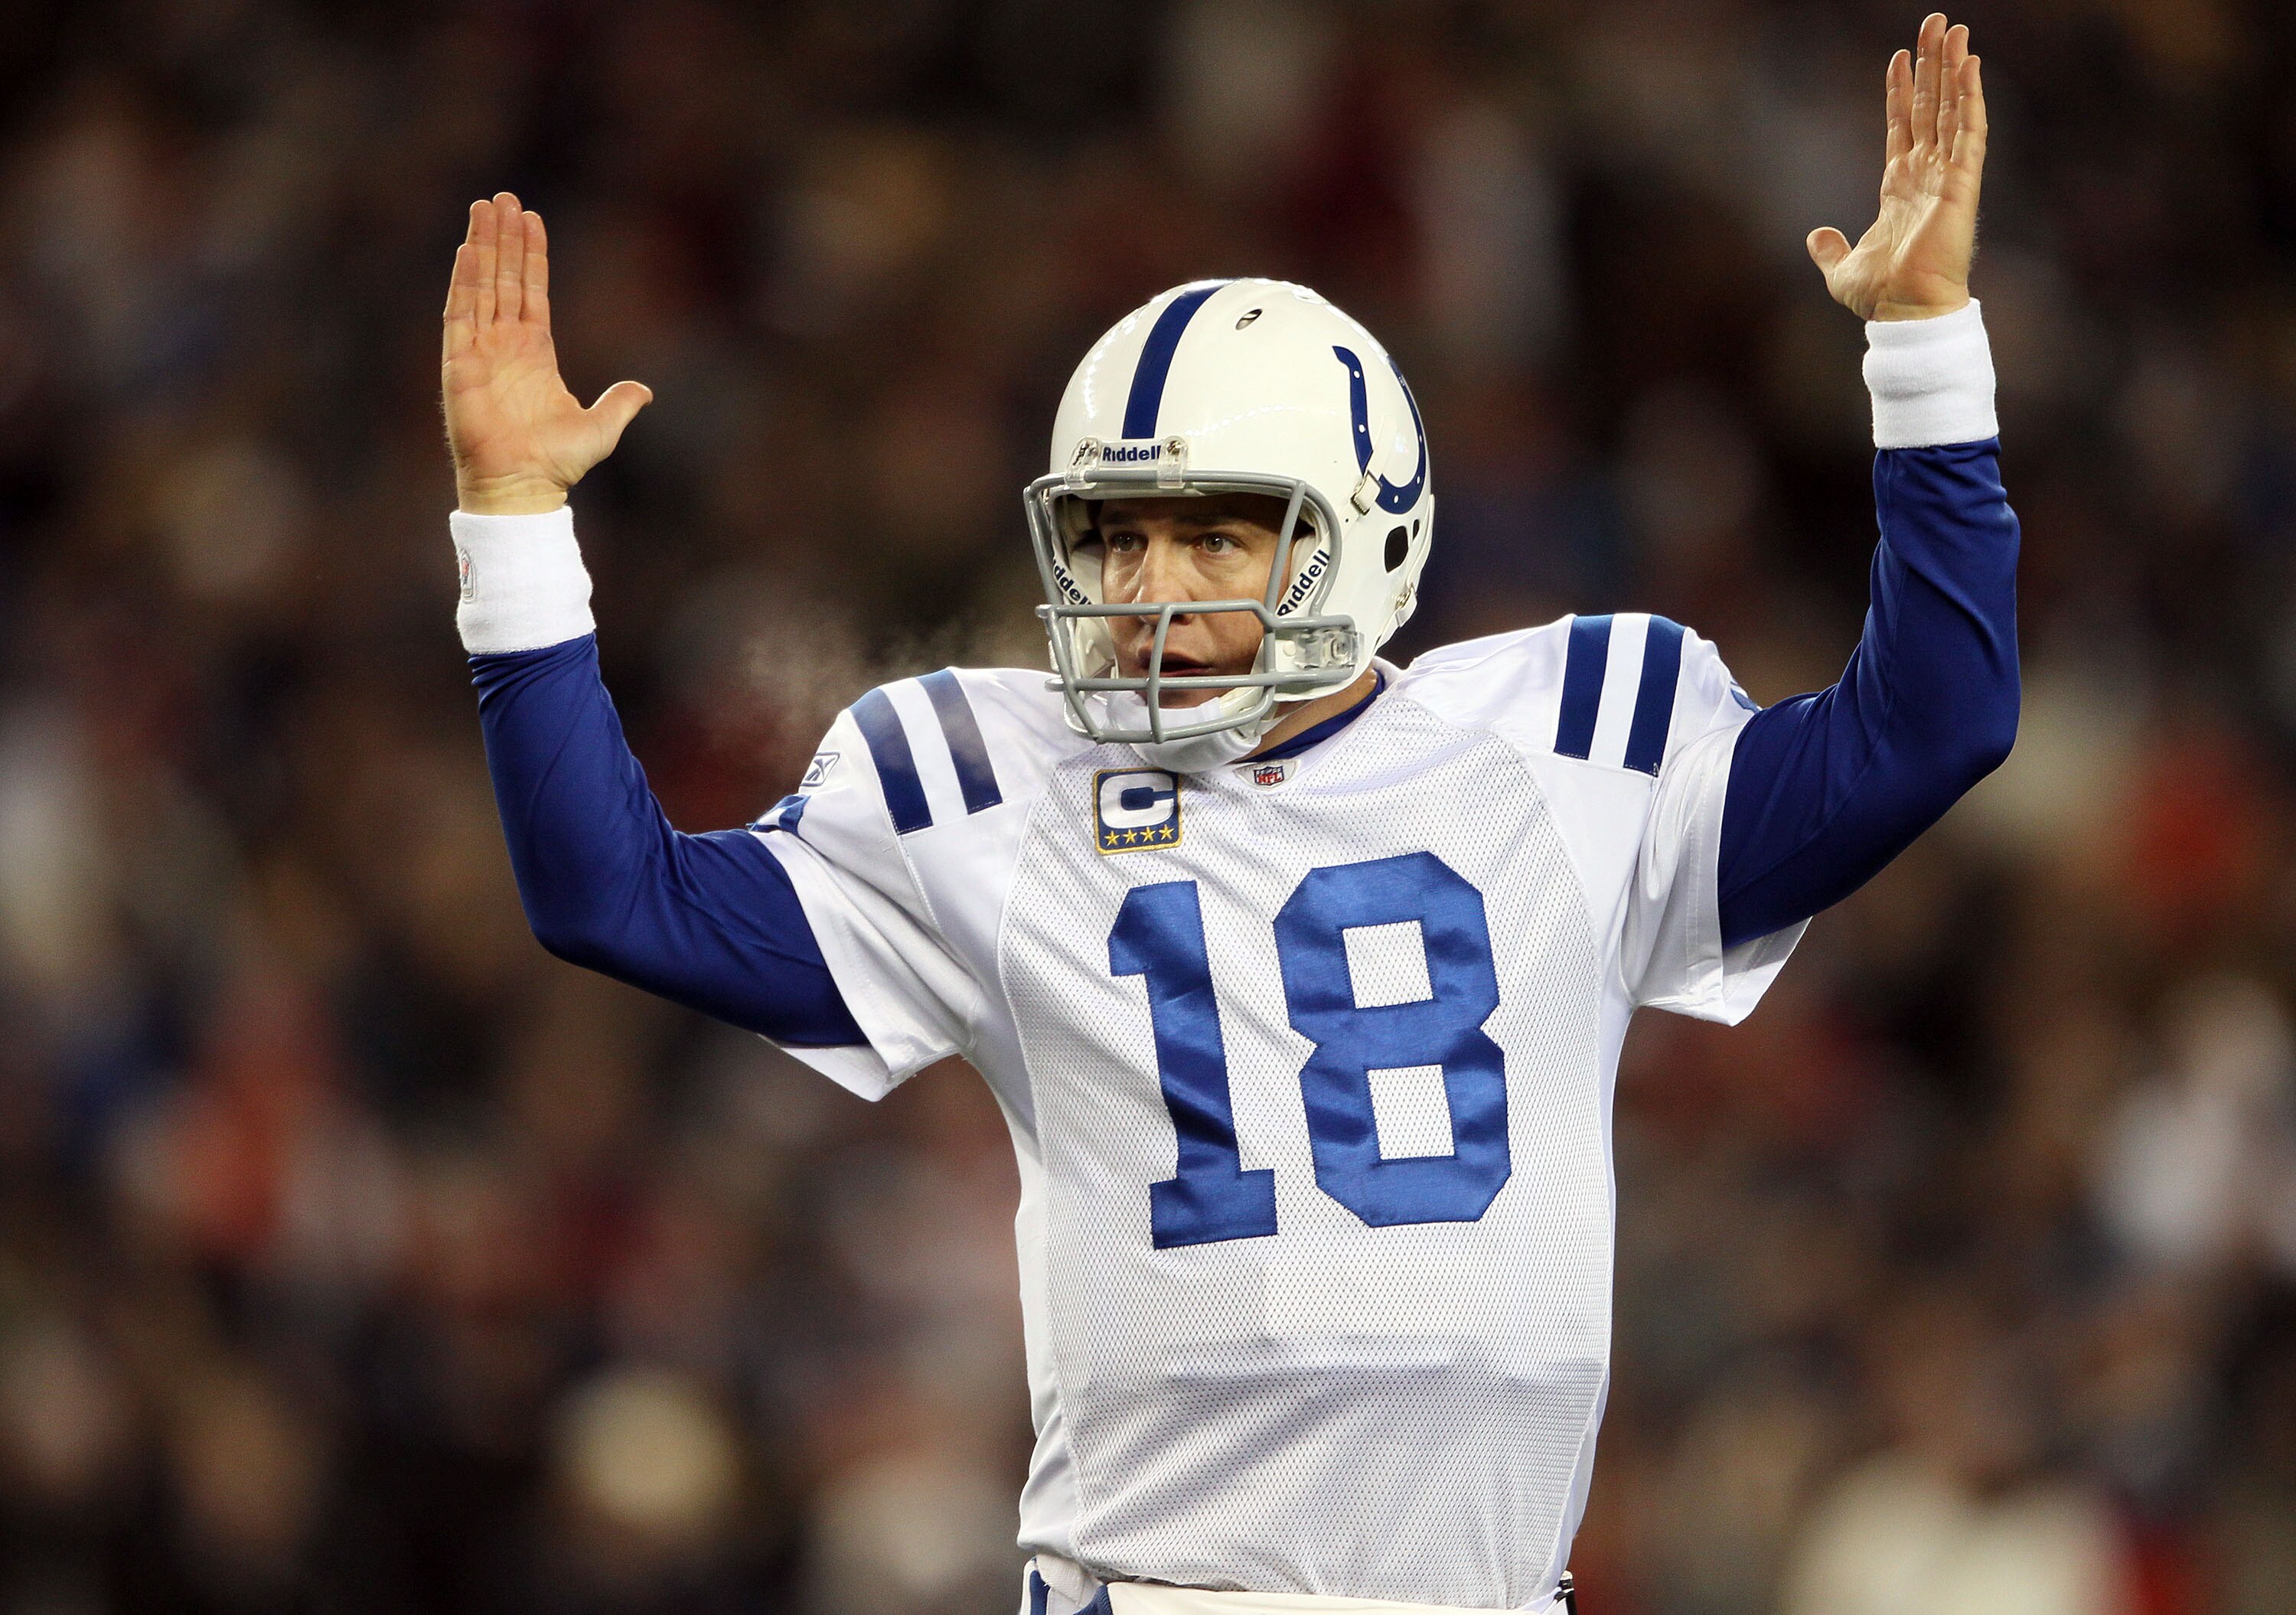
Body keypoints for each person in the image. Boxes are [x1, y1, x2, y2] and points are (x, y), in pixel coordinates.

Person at [439, 15, 2014, 1613]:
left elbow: (1938, 722)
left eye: (1213, 539)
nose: (1150, 593)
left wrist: (1926, 349)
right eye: (1119, 543)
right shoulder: (988, 786)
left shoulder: (1567, 746)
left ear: (1366, 535)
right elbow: (608, 896)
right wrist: (512, 531)